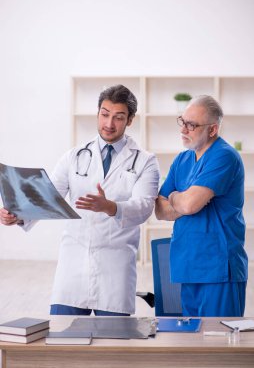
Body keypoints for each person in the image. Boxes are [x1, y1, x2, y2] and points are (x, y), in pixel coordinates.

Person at [0, 84, 160, 316]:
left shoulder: (145, 161)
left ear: (130, 120)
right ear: (97, 113)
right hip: (74, 263)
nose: (109, 123)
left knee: (112, 343)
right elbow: (48, 195)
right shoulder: (74, 156)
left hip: (115, 265)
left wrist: (111, 207)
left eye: (118, 117)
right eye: (105, 115)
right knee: (65, 341)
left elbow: (144, 206)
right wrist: (17, 214)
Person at [155, 95, 248, 317]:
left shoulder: (224, 156)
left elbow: (189, 205)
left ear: (213, 129)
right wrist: (185, 200)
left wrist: (176, 196)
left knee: (219, 345)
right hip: (187, 265)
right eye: (182, 121)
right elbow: (160, 209)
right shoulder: (182, 160)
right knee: (192, 346)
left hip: (218, 269)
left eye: (192, 125)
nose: (183, 129)